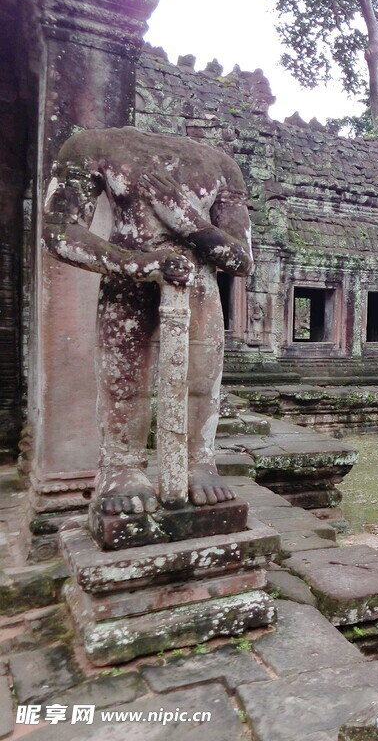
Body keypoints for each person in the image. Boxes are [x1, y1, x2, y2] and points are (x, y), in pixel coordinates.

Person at [43, 127, 253, 515]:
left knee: (201, 385)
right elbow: (58, 232)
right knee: (124, 386)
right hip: (129, 285)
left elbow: (241, 259)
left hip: (199, 289)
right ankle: (121, 468)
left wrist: (186, 218)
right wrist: (137, 264)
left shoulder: (223, 166)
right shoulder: (94, 145)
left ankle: (199, 463)